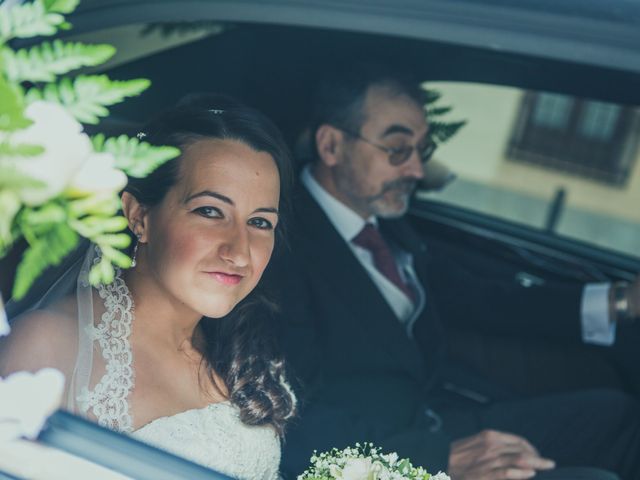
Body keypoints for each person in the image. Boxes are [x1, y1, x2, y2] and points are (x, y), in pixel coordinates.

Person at [264, 65, 640, 480]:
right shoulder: (280, 248)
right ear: (331, 145)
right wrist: (436, 460)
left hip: (443, 414)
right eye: (397, 149)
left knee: (618, 417)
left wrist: (618, 301)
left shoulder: (388, 226)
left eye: (422, 150)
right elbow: (291, 420)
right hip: (387, 455)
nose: (417, 172)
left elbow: (482, 299)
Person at [0, 95, 297, 480]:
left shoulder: (243, 352)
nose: (239, 252)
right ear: (139, 215)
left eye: (259, 223)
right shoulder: (50, 342)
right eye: (210, 212)